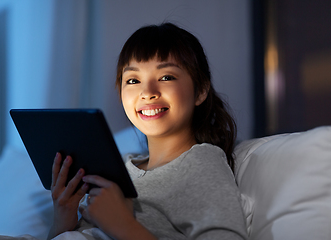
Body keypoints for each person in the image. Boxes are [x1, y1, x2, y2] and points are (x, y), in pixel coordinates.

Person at [48, 23, 248, 240]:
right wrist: (63, 219)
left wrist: (123, 226)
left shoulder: (201, 162)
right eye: (133, 80)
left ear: (200, 91)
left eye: (166, 77)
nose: (148, 92)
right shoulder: (120, 168)